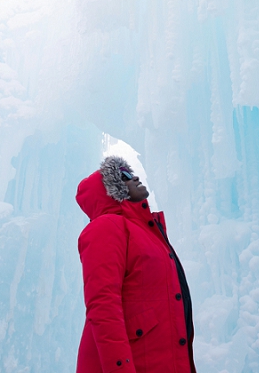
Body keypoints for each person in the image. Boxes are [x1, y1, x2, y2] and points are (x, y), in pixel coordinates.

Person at [75, 155, 197, 373]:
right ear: (112, 190)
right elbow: (103, 304)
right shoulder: (106, 227)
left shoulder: (149, 234)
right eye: (125, 176)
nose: (135, 177)